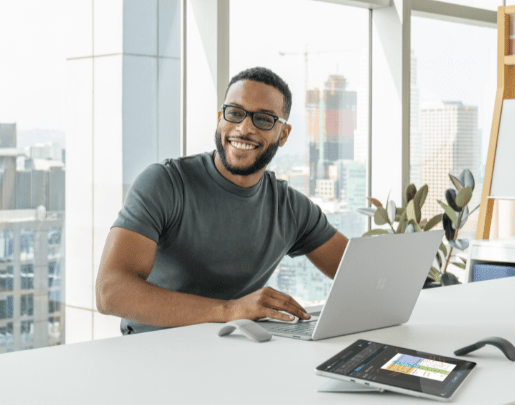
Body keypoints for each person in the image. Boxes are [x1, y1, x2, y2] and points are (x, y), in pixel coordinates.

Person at [96, 67, 349, 335]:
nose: (244, 128)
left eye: (263, 119)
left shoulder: (291, 208)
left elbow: (360, 275)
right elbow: (110, 292)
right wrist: (229, 311)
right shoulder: (166, 183)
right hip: (152, 355)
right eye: (235, 113)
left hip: (235, 352)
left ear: (283, 134)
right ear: (220, 118)